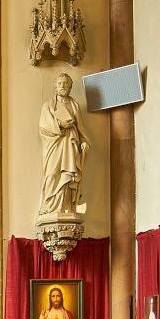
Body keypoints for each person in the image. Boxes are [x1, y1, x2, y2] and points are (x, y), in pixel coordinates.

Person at [38, 72, 89, 218]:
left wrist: (85, 141)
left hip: (70, 144)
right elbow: (43, 127)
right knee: (52, 174)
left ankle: (67, 207)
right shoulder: (48, 105)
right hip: (54, 146)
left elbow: (81, 127)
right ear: (55, 86)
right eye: (60, 83)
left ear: (70, 86)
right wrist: (60, 124)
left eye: (66, 84)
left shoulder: (74, 105)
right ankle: (49, 206)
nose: (63, 86)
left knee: (68, 176)